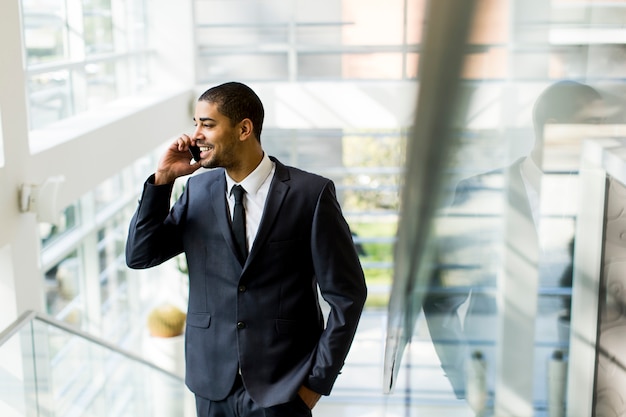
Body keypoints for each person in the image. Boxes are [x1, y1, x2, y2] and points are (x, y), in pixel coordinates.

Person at [125, 81, 367, 417]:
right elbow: (140, 255)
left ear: (243, 129)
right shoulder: (197, 191)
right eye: (195, 124)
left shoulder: (310, 195)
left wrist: (315, 383)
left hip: (283, 387)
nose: (196, 135)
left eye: (207, 124)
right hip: (211, 386)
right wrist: (163, 179)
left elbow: (347, 296)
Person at [422, 80, 613, 402]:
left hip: (589, 390)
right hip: (504, 388)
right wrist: (467, 379)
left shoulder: (610, 197)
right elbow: (441, 298)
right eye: (593, 124)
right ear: (556, 129)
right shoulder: (482, 193)